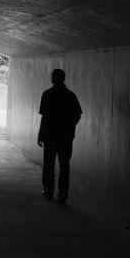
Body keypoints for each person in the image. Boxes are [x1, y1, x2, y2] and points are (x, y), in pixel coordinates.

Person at [37, 68, 82, 205]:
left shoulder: (47, 94)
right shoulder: (70, 95)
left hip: (50, 135)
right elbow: (77, 115)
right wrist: (70, 128)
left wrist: (41, 134)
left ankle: (48, 190)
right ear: (63, 78)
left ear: (53, 78)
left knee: (49, 164)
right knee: (64, 166)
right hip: (65, 137)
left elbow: (44, 117)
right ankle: (63, 195)